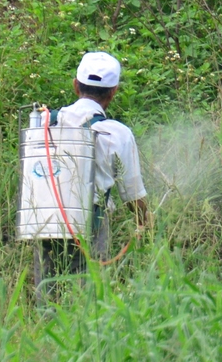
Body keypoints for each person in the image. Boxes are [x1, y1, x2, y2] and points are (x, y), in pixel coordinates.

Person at [34, 51, 150, 300]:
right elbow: (132, 195)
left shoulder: (43, 121)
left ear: (75, 85)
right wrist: (145, 223)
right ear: (114, 92)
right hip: (92, 224)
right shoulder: (116, 133)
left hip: (44, 219)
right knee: (87, 300)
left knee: (46, 296)